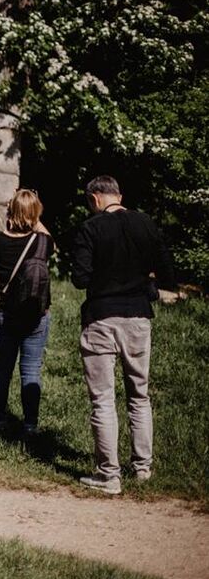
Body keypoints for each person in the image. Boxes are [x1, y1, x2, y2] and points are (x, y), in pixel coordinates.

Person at [72, 175, 175, 494]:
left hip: (102, 316)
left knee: (103, 399)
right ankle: (143, 468)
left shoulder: (91, 228)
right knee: (139, 393)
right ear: (119, 194)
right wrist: (149, 287)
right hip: (138, 316)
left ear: (94, 198)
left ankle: (109, 474)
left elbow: (79, 279)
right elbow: (168, 271)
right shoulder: (145, 223)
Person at [0, 189, 53, 435]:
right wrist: (33, 214)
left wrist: (14, 208)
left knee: (2, 369)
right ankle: (30, 424)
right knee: (31, 369)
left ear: (10, 211)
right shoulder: (41, 241)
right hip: (34, 314)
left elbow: (8, 228)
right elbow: (47, 238)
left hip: (4, 314)